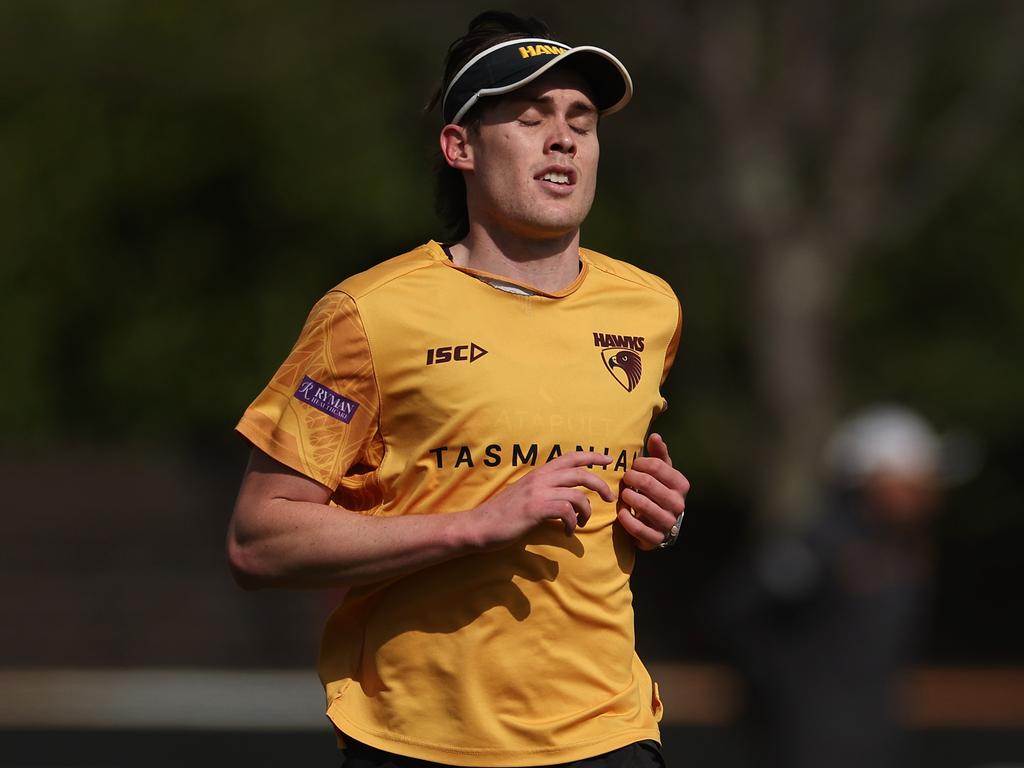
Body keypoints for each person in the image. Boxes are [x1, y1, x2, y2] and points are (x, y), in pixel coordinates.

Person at [227, 11, 688, 767]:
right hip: (420, 743)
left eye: (581, 120)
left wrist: (656, 514)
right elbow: (258, 540)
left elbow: (607, 503)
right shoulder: (368, 315)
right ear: (460, 146)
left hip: (609, 733)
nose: (564, 138)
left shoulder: (650, 308)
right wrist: (473, 524)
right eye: (530, 118)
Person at [710, 404, 970, 768]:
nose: (927, 491)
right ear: (873, 479)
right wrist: (786, 691)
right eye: (913, 480)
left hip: (875, 740)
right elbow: (735, 613)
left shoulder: (905, 549)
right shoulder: (819, 544)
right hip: (807, 745)